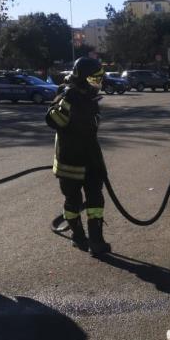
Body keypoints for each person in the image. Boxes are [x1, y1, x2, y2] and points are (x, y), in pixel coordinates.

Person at [45, 57, 112, 256]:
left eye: (99, 80)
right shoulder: (67, 96)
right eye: (94, 79)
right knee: (73, 203)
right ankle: (78, 235)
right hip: (70, 163)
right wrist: (67, 101)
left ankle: (96, 240)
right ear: (82, 78)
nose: (97, 84)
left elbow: (93, 126)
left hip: (91, 161)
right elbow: (53, 120)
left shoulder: (90, 98)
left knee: (96, 202)